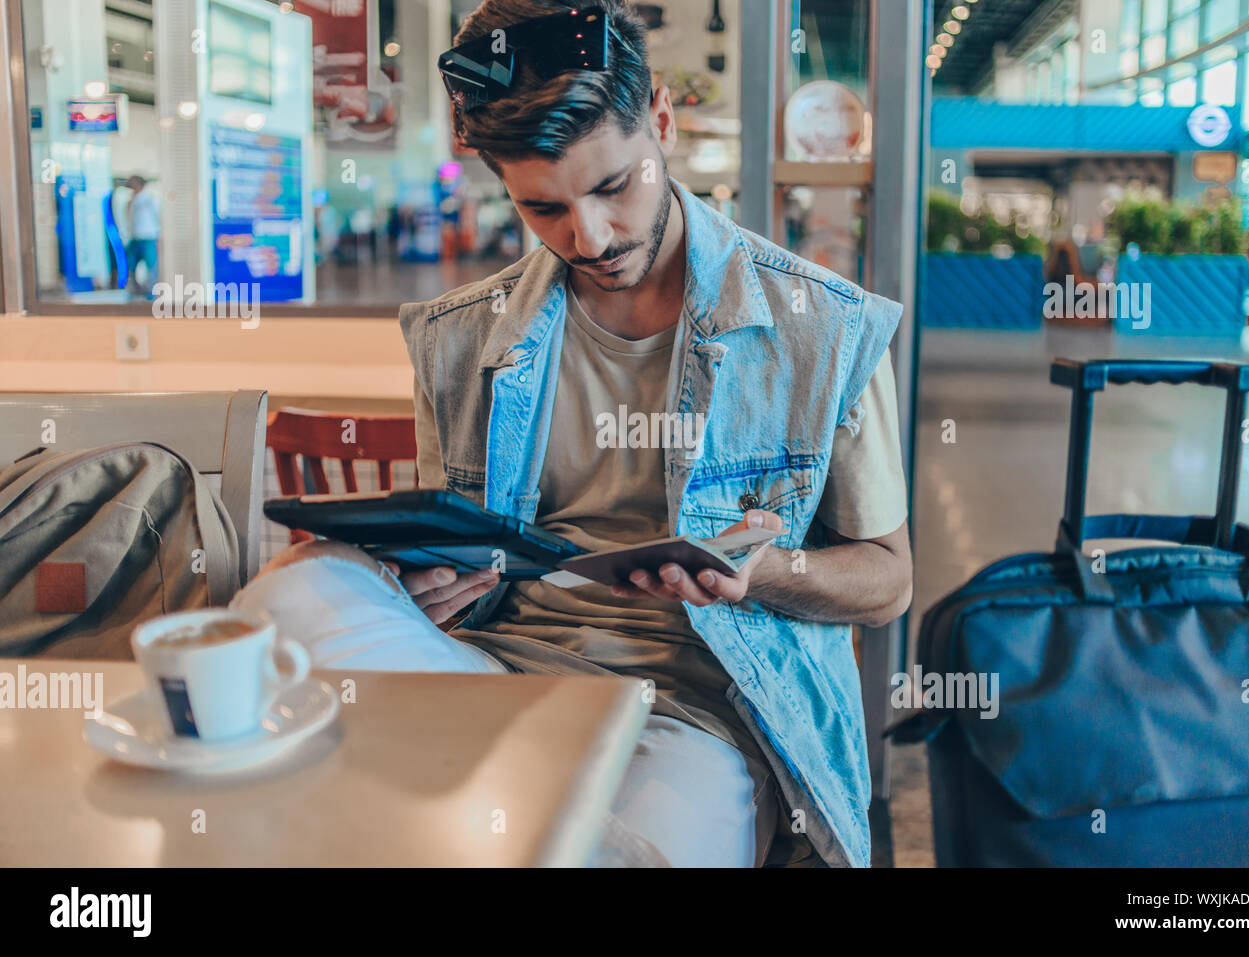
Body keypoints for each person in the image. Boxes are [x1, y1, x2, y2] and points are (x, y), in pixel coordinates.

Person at [246, 0, 912, 868]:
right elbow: (455, 555)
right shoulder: (457, 340)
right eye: (543, 208)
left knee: (598, 851)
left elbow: (890, 579)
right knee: (293, 588)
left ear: (661, 120)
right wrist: (427, 585)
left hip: (693, 716)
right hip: (498, 670)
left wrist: (760, 574)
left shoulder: (822, 327)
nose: (588, 237)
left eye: (612, 187)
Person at [124, 175, 160, 297]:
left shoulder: (150, 198)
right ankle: (135, 289)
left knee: (151, 264)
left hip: (148, 236)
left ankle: (151, 290)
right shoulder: (132, 199)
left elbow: (158, 216)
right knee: (131, 263)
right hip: (135, 237)